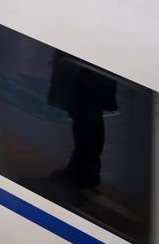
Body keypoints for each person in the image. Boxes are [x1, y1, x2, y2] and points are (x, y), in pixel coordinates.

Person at [47, 50, 117, 189]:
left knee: (87, 113)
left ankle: (85, 171)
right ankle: (84, 168)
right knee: (83, 114)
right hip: (86, 67)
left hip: (87, 68)